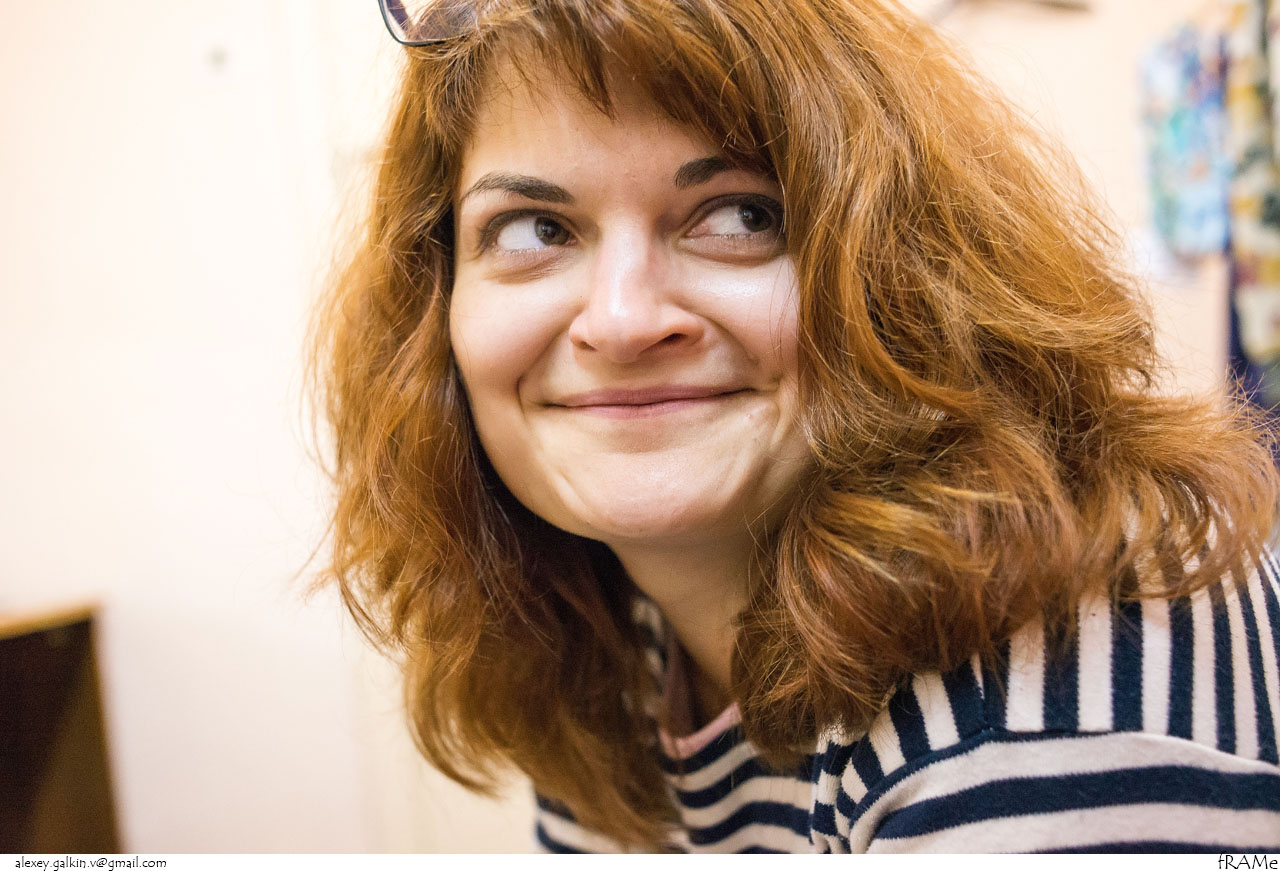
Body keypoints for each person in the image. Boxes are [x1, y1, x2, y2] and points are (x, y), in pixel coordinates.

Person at [307, 0, 1280, 852]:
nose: (622, 320)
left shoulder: (1049, 697)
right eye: (536, 229)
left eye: (738, 216)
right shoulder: (608, 633)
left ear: (903, 272)